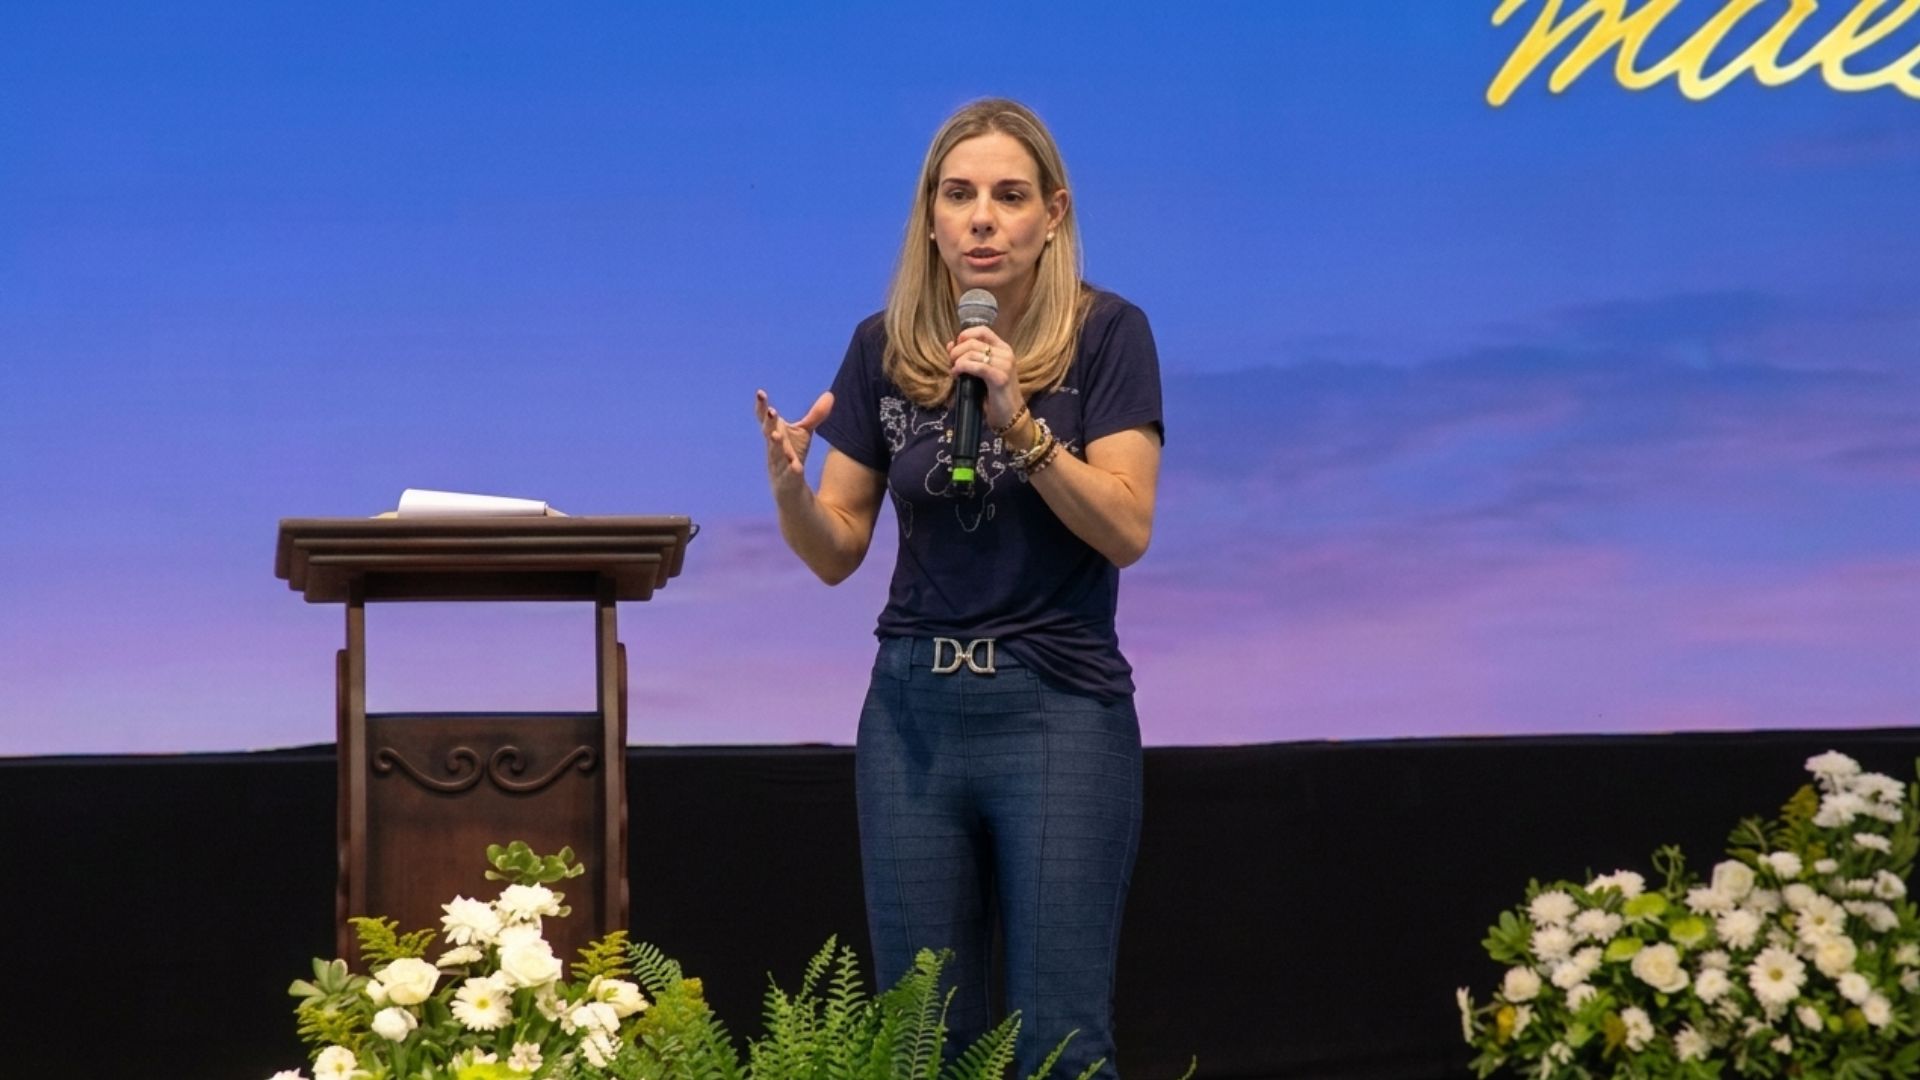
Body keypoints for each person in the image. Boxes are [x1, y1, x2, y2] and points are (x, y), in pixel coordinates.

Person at [753, 98, 1163, 1080]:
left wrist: (1020, 424)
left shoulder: (1108, 335)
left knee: (1058, 1047)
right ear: (930, 216)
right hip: (913, 715)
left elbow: (1127, 529)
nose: (982, 218)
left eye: (1010, 196)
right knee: (922, 1046)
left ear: (1052, 214)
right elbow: (836, 549)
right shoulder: (883, 347)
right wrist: (790, 490)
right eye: (960, 194)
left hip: (1055, 707)